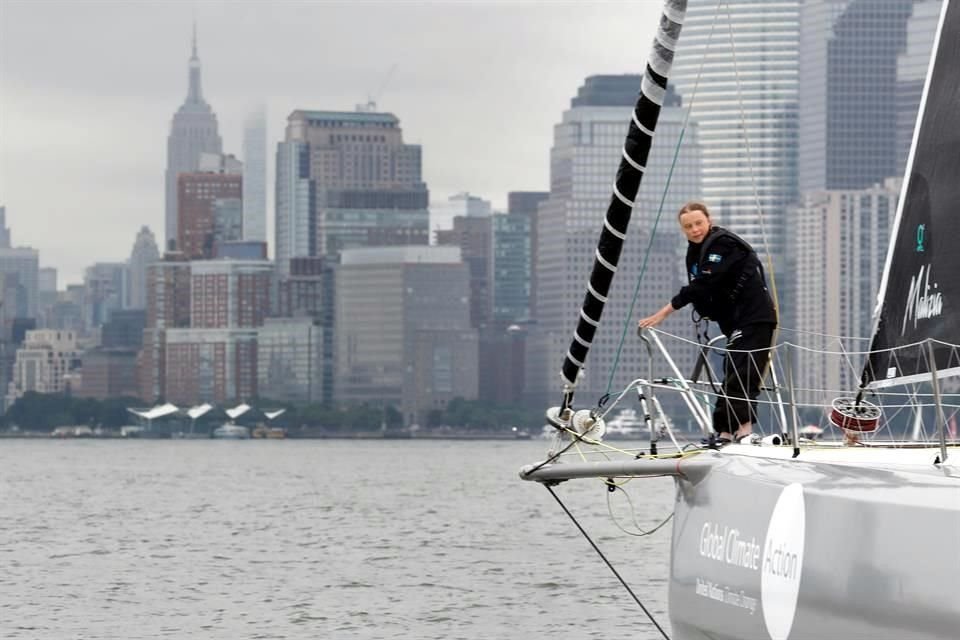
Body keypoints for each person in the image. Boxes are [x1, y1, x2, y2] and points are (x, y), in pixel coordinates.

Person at [638, 201, 777, 446]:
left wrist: (664, 313)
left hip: (755, 317)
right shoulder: (696, 251)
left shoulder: (722, 244)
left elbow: (705, 283)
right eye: (688, 226)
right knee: (731, 373)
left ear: (708, 220)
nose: (695, 229)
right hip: (734, 322)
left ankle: (744, 430)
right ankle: (724, 432)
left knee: (744, 373)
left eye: (698, 223)